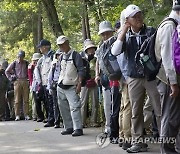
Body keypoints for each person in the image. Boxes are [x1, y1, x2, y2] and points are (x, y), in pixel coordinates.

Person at [111, 4, 161, 153]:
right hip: (133, 78)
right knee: (135, 111)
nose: (139, 18)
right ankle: (137, 142)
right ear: (127, 20)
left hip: (151, 76)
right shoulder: (125, 36)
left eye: (139, 15)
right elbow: (115, 51)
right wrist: (124, 30)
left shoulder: (151, 31)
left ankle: (168, 140)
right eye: (134, 16)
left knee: (159, 109)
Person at [155, 1, 180, 153]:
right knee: (169, 116)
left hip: (172, 79)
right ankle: (167, 149)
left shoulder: (174, 24)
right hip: (168, 80)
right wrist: (174, 83)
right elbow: (167, 58)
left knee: (175, 116)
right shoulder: (169, 26)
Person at [95, 20, 121, 144]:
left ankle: (116, 132)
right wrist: (97, 75)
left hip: (117, 80)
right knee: (108, 106)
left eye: (107, 33)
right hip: (106, 80)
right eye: (103, 34)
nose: (105, 35)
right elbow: (97, 62)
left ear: (111, 32)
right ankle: (111, 130)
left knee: (116, 107)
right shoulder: (101, 46)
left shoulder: (117, 42)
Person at [56, 35, 84, 137]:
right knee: (63, 107)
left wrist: (79, 84)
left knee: (75, 107)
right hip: (61, 85)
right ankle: (68, 127)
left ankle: (78, 128)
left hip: (72, 85)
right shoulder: (61, 56)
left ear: (67, 43)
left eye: (63, 44)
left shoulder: (76, 55)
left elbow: (81, 70)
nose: (61, 46)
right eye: (59, 45)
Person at [34, 39, 55, 127]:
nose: (40, 49)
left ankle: (52, 119)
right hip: (44, 82)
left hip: (50, 82)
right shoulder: (43, 58)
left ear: (46, 47)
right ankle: (50, 118)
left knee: (51, 102)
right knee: (47, 102)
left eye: (41, 47)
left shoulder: (52, 56)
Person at [5, 50, 30, 121]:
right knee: (17, 99)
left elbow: (30, 71)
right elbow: (7, 71)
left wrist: (29, 79)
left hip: (25, 80)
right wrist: (11, 78)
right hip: (17, 81)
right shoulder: (14, 63)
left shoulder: (26, 63)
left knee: (26, 99)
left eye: (21, 57)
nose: (20, 58)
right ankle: (17, 115)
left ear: (23, 57)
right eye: (19, 57)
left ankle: (26, 114)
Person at [80, 39, 99, 127]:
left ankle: (93, 121)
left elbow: (98, 70)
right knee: (83, 103)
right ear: (86, 50)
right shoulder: (82, 59)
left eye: (93, 48)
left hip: (94, 82)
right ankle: (82, 122)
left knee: (95, 102)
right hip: (84, 83)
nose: (91, 50)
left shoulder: (96, 59)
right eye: (89, 48)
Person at [47, 49, 62, 128]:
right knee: (55, 104)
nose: (59, 56)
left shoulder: (65, 63)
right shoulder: (54, 64)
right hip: (55, 85)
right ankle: (57, 122)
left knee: (64, 104)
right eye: (58, 55)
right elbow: (50, 76)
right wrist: (49, 87)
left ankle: (66, 122)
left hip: (63, 84)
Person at [28, 52, 42, 121]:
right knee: (35, 101)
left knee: (40, 101)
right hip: (34, 85)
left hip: (40, 84)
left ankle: (41, 115)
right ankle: (34, 115)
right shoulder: (31, 66)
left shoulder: (41, 65)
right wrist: (31, 86)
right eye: (35, 60)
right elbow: (30, 77)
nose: (36, 61)